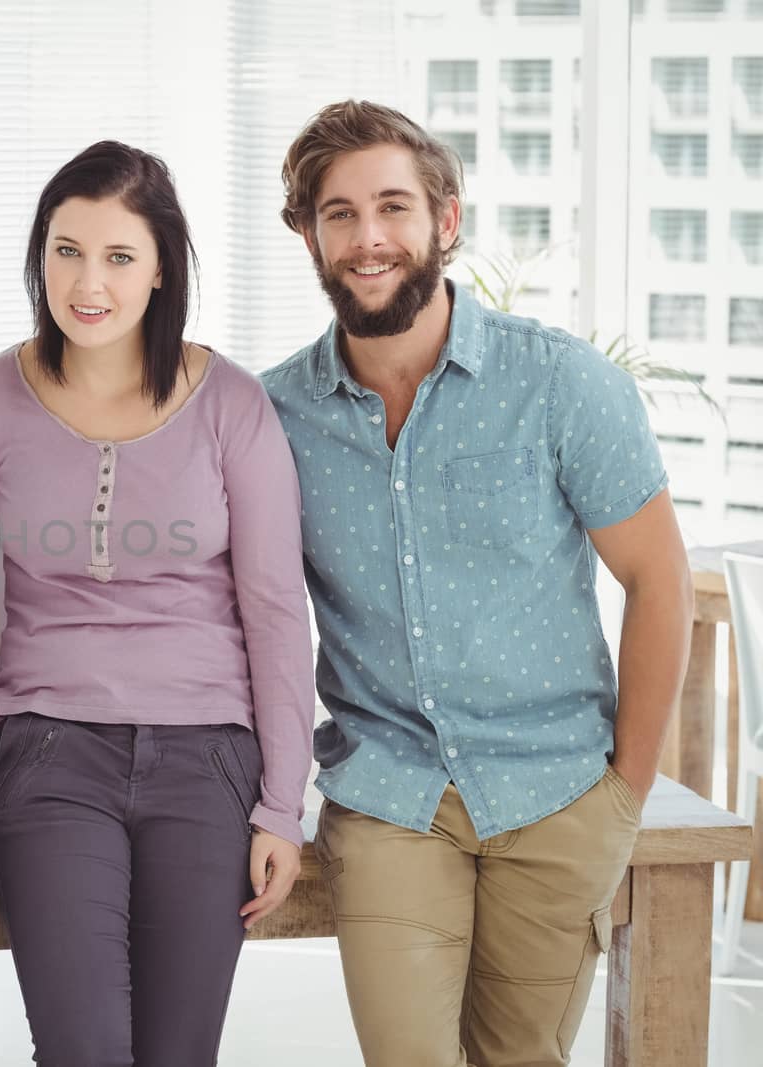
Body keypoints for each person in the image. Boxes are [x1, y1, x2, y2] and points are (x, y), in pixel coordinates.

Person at [260, 99, 694, 1066]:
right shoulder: (272, 416)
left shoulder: (562, 385)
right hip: (390, 798)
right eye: (339, 214)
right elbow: (245, 615)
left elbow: (658, 581)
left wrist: (623, 791)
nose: (369, 238)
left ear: (444, 221)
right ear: (309, 236)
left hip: (558, 794)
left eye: (393, 208)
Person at [0, 140, 314, 1067]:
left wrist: (280, 806)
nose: (87, 281)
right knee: (84, 1052)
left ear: (160, 270)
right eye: (66, 251)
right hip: (49, 752)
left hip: (211, 757)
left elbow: (274, 609)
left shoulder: (232, 403)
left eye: (117, 256)